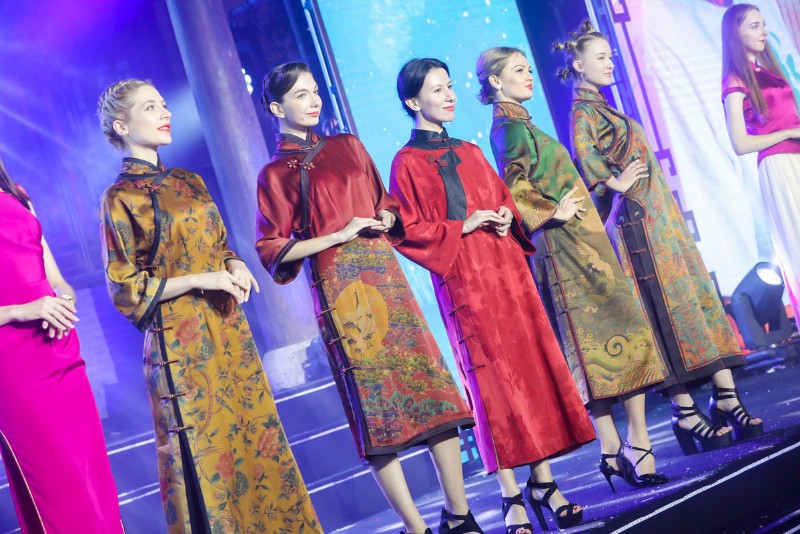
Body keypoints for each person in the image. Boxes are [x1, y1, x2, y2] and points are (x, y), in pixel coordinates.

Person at [255, 62, 478, 534]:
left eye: (315, 91)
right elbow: (273, 248)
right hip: (341, 297)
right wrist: (340, 235)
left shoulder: (348, 146)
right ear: (277, 108)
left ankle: (459, 515)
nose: (313, 101)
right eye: (300, 95)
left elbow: (386, 202)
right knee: (377, 418)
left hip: (386, 281)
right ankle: (416, 527)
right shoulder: (274, 174)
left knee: (433, 395)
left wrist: (386, 218)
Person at [97, 79, 320, 534]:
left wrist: (234, 264)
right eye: (151, 107)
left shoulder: (189, 181)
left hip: (227, 327)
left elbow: (219, 247)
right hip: (179, 346)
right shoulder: (119, 199)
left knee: (255, 437)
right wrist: (202, 278)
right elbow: (125, 287)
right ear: (121, 125)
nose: (166, 113)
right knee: (208, 453)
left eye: (164, 103)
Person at [390, 58, 595, 534]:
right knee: (495, 386)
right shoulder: (407, 162)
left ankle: (543, 483)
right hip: (466, 283)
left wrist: (504, 215)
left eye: (449, 86)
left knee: (531, 372)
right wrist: (464, 225)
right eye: (437, 90)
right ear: (413, 101)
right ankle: (510, 496)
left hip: (508, 275)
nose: (449, 96)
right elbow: (408, 230)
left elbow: (502, 197)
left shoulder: (470, 150)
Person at [563, 21, 763, 453]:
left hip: (660, 222)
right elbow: (585, 153)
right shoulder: (584, 111)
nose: (610, 63)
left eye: (610, 56)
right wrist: (613, 183)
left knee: (692, 300)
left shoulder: (603, 106)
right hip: (637, 225)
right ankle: (684, 410)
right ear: (578, 65)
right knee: (661, 313)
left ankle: (725, 396)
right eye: (601, 57)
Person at [478, 45, 668, 491]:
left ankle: (619, 447)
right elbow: (513, 182)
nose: (529, 75)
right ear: (495, 81)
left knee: (612, 336)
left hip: (582, 242)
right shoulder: (508, 128)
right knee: (599, 340)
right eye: (519, 69)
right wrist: (551, 212)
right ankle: (627, 446)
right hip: (564, 247)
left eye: (529, 68)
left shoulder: (523, 123)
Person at [0, 157, 124, 533]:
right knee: (56, 488)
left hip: (58, 348)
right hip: (15, 364)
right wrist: (23, 310)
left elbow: (56, 279)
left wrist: (65, 301)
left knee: (94, 480)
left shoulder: (17, 196)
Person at [721, 3, 800, 332]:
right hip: (779, 165)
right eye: (754, 26)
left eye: (763, 24)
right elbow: (740, 143)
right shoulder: (735, 80)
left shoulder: (770, 70)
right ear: (735, 33)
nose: (763, 31)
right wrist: (787, 134)